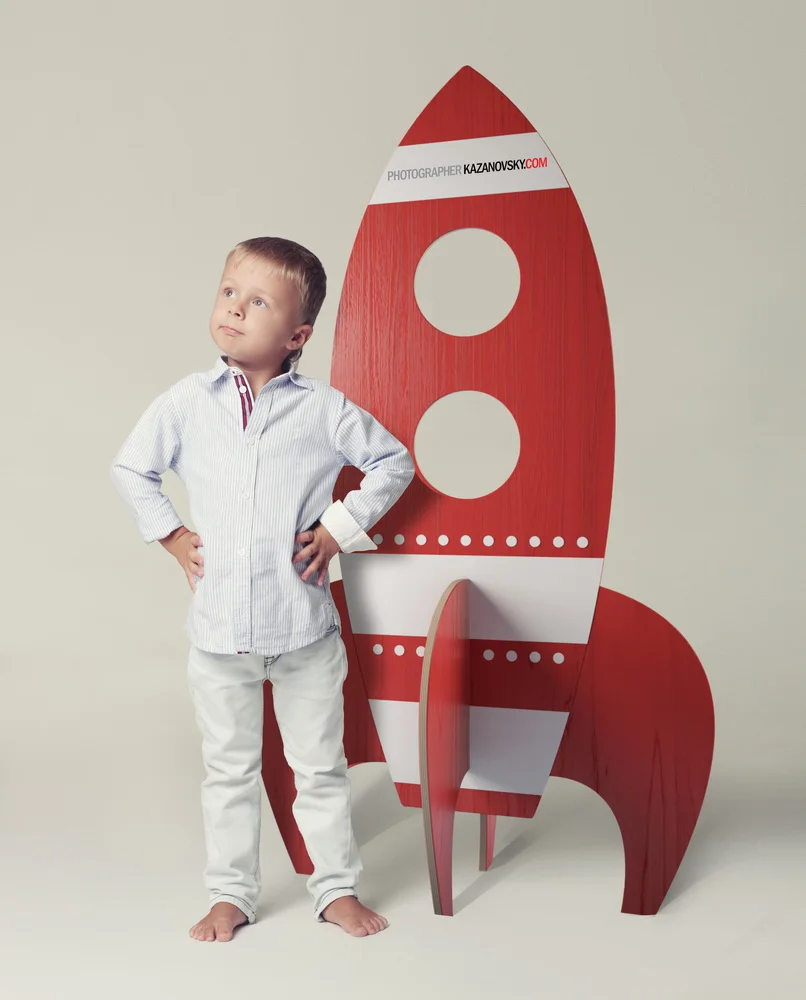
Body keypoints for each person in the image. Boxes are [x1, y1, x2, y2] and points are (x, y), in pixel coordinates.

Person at [111, 236, 414, 942]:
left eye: (258, 303)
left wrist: (338, 527)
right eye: (227, 292)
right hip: (219, 637)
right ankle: (231, 895)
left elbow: (391, 463)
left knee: (322, 769)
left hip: (305, 632)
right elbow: (132, 470)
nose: (234, 310)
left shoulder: (321, 409)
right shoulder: (188, 403)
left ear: (297, 335)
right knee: (228, 772)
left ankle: (335, 889)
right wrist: (174, 537)